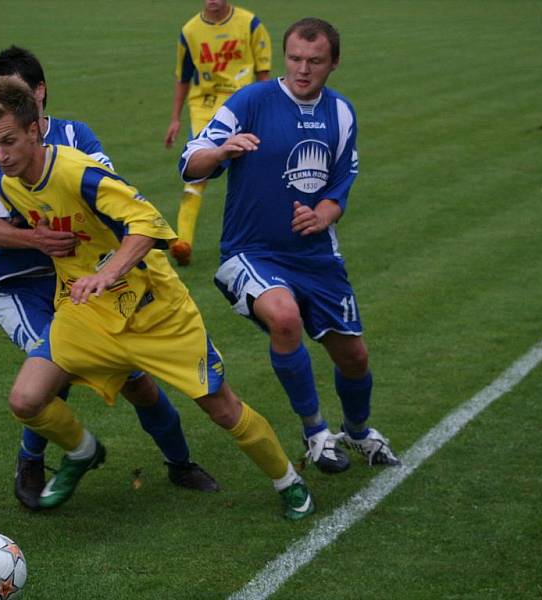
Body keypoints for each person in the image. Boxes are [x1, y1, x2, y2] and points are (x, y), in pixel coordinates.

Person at [0, 75, 315, 520]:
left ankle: (289, 481)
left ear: (35, 130)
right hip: (87, 316)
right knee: (26, 400)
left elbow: (147, 223)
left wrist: (107, 273)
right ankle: (82, 451)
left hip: (155, 311)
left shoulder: (78, 172)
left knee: (221, 408)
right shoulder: (12, 179)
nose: (1, 155)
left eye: (9, 142)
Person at [0, 46, 219, 511]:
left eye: (16, 92)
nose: (6, 105)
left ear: (38, 94)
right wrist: (24, 240)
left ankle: (180, 462)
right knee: (56, 371)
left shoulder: (76, 136)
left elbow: (106, 199)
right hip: (18, 283)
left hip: (81, 280)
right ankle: (31, 460)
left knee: (138, 381)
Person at [179, 18, 400, 474]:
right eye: (295, 59)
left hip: (316, 255)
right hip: (250, 252)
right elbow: (189, 162)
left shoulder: (341, 112)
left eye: (315, 61)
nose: (303, 69)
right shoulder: (251, 101)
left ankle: (357, 431)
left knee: (354, 356)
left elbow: (341, 183)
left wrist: (322, 214)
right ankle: (316, 431)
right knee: (285, 318)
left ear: (333, 63)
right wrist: (221, 152)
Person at [164, 0, 271, 266]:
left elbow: (263, 74)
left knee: (253, 168)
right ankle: (182, 242)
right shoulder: (190, 30)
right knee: (198, 167)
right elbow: (183, 76)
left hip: (244, 103)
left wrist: (265, 110)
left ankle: (257, 239)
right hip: (205, 107)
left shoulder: (250, 23)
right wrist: (175, 118)